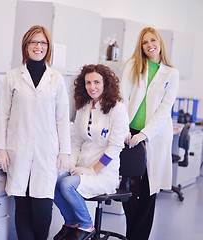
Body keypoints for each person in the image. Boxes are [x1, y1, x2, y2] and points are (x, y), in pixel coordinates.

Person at [0, 25, 71, 240]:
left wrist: (65, 151)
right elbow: (2, 115)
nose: (38, 46)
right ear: (25, 46)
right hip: (18, 150)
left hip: (46, 153)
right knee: (23, 207)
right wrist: (0, 149)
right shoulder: (12, 77)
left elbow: (62, 118)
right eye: (33, 42)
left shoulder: (56, 79)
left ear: (49, 47)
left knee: (43, 209)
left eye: (43, 43)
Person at [54, 64, 129, 240]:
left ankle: (87, 225)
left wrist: (92, 170)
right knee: (53, 181)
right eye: (88, 82)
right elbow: (76, 140)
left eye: (97, 82)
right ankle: (71, 223)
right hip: (81, 168)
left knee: (66, 185)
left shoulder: (117, 109)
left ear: (106, 84)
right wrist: (71, 163)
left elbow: (115, 147)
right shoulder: (84, 107)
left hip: (103, 172)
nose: (92, 87)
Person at [120, 27, 179, 240]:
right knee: (129, 190)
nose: (149, 45)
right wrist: (125, 129)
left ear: (160, 43)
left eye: (153, 40)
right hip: (128, 134)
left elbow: (165, 108)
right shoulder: (132, 66)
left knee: (147, 191)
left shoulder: (171, 73)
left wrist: (144, 134)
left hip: (154, 136)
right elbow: (122, 98)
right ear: (141, 46)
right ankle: (131, 235)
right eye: (144, 42)